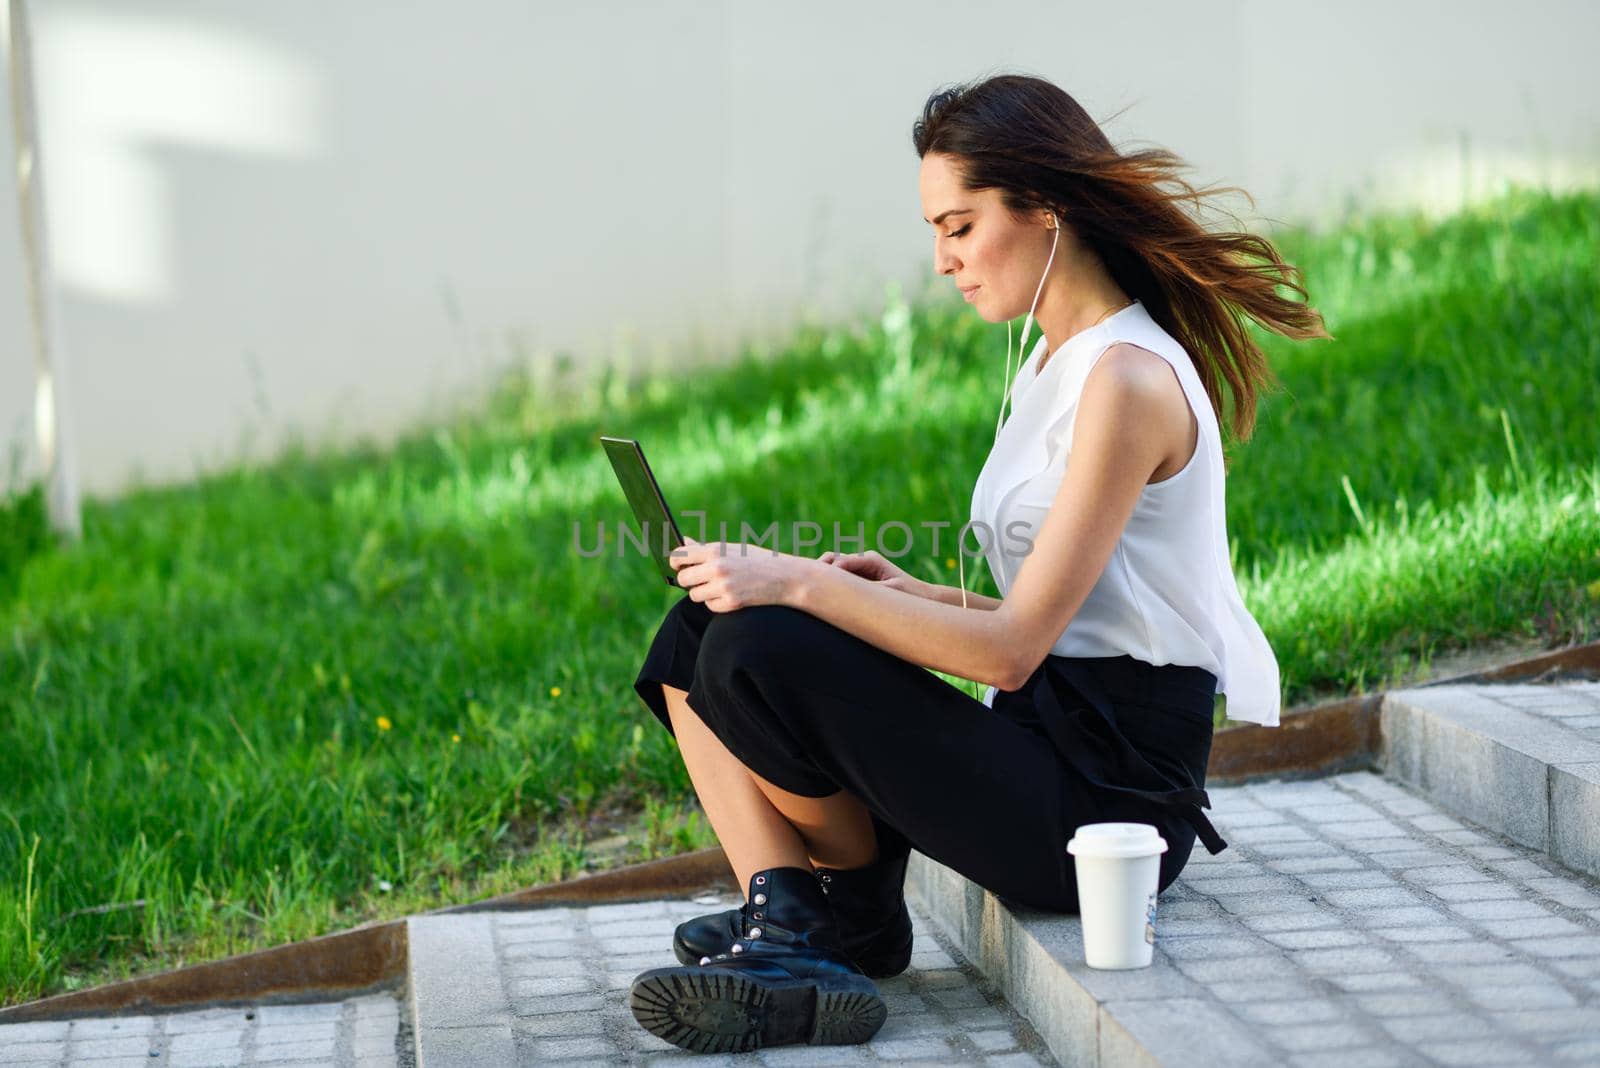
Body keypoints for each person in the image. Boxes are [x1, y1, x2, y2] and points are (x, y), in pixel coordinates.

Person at [626, 72, 1329, 1055]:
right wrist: (906, 593)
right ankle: (799, 912)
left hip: (1103, 809)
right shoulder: (1052, 362)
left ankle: (827, 921)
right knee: (696, 629)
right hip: (1038, 737)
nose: (943, 260)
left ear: (1042, 206)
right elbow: (1066, 613)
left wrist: (799, 583)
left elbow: (1007, 651)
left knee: (761, 639)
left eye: (958, 226)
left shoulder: (1127, 378)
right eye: (935, 232)